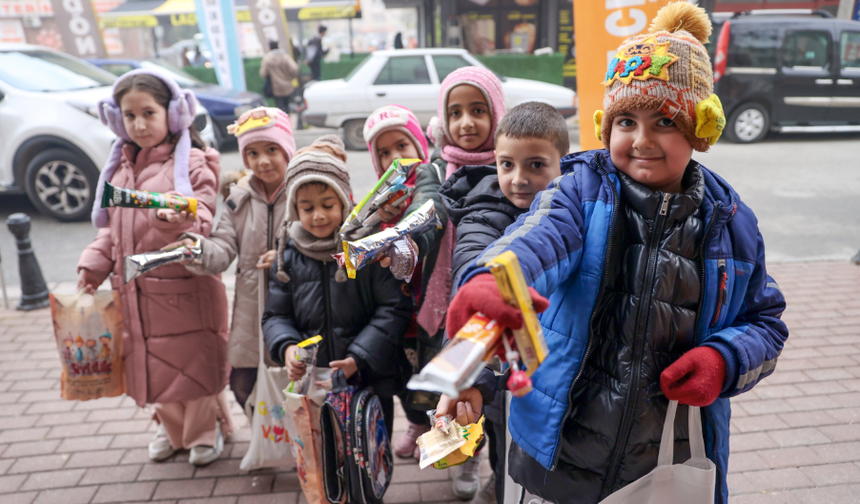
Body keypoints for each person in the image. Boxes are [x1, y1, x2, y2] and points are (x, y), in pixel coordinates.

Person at [441, 3, 788, 504]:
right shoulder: (579, 193)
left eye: (665, 120)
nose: (642, 140)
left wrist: (724, 360)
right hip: (559, 459)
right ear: (607, 125)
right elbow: (535, 240)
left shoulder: (731, 223)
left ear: (700, 127)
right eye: (626, 120)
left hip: (668, 460)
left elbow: (766, 322)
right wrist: (492, 280)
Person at [77, 69, 233, 466]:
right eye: (130, 116)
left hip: (186, 293)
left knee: (193, 366)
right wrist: (93, 266)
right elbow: (112, 230)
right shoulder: (121, 169)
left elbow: (202, 225)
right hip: (138, 295)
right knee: (153, 366)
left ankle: (203, 430)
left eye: (149, 112)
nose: (139, 124)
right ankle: (170, 427)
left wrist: (174, 221)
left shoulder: (196, 163)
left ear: (174, 114)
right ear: (118, 120)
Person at [440, 101, 567, 504]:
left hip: (561, 375)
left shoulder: (573, 210)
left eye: (535, 165)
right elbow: (472, 280)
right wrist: (466, 379)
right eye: (506, 165)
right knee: (505, 455)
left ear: (563, 163)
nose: (518, 179)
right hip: (503, 383)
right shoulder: (482, 214)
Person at [392, 65, 506, 499]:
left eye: (478, 110)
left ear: (497, 114)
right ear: (442, 120)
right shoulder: (436, 172)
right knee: (453, 392)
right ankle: (464, 456)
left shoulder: (509, 165)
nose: (466, 122)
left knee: (493, 393)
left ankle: (499, 465)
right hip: (442, 306)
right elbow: (424, 213)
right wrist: (401, 247)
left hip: (492, 306)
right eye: (455, 112)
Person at [262, 134, 412, 439]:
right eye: (306, 208)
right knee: (324, 456)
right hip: (313, 380)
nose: (317, 215)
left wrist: (359, 358)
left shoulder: (367, 247)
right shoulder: (288, 255)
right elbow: (276, 316)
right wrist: (288, 348)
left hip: (367, 375)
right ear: (294, 210)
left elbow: (393, 308)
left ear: (344, 200)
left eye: (327, 204)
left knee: (371, 453)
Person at [164, 107, 297, 411]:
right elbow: (223, 248)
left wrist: (286, 256)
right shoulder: (239, 197)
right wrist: (194, 247)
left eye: (271, 149)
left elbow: (326, 240)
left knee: (297, 382)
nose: (262, 160)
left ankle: (302, 448)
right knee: (243, 383)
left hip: (297, 306)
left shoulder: (304, 191)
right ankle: (268, 436)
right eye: (252, 153)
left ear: (287, 149)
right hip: (252, 309)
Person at [361, 105, 432, 459]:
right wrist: (381, 223)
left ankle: (465, 445)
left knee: (445, 377)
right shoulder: (378, 205)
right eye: (384, 152)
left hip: (438, 310)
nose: (395, 157)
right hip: (402, 316)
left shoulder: (438, 191)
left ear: (420, 146)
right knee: (407, 377)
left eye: (402, 146)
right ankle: (418, 424)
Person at [260, 40, 299, 114]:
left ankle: (281, 121)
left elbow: (263, 73)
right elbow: (294, 68)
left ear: (269, 48)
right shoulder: (285, 57)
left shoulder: (267, 58)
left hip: (275, 87)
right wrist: (290, 77)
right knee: (288, 106)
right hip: (288, 85)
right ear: (278, 46)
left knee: (279, 107)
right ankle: (288, 121)